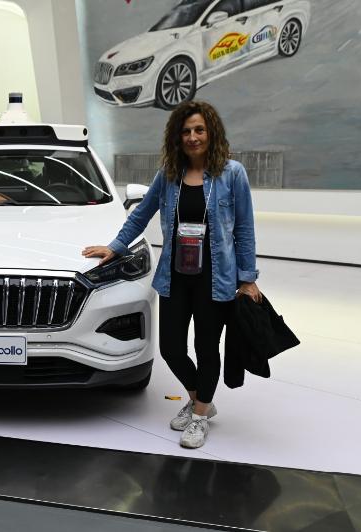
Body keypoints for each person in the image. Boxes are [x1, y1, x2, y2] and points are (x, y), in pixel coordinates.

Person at [83, 100, 260, 449]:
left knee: (206, 348)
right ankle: (200, 401)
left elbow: (244, 228)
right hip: (175, 276)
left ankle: (199, 415)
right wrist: (115, 246)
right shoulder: (168, 174)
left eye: (199, 130)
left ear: (211, 133)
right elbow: (140, 215)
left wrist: (248, 277)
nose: (193, 137)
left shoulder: (232, 173)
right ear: (177, 137)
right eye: (186, 131)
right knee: (171, 348)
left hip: (216, 279)